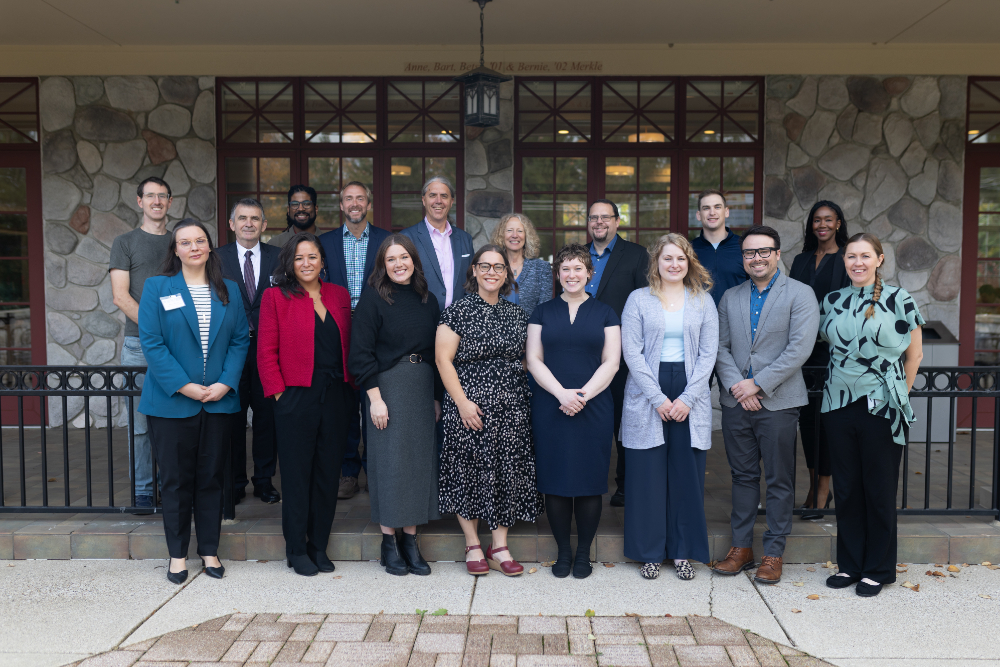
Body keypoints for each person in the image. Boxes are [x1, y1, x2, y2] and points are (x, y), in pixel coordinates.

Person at [137, 219, 249, 584]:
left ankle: (209, 551)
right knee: (174, 481)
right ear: (175, 250)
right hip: (171, 403)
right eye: (185, 242)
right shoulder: (157, 288)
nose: (194, 247)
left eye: (200, 240)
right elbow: (152, 343)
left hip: (217, 402)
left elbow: (240, 341)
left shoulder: (228, 290)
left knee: (211, 480)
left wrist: (225, 383)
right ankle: (177, 556)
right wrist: (184, 386)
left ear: (210, 247)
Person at [712, 226, 819, 585]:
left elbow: (799, 349)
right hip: (735, 401)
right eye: (748, 253)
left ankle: (773, 553)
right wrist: (739, 388)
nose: (756, 258)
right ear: (742, 258)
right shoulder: (730, 297)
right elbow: (720, 347)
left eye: (763, 251)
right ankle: (741, 548)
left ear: (776, 254)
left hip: (779, 402)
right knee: (742, 477)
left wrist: (758, 385)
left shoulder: (801, 295)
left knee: (778, 479)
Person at [821, 233, 924, 598]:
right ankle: (850, 564)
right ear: (844, 260)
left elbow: (914, 356)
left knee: (877, 490)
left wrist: (900, 395)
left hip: (882, 406)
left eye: (866, 256)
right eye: (851, 256)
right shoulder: (832, 300)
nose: (858, 262)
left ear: (879, 260)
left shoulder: (900, 299)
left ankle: (878, 569)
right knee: (846, 489)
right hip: (837, 404)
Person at [436, 245, 544, 577]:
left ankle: (498, 546)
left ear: (507, 275)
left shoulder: (517, 314)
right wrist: (463, 403)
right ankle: (472, 543)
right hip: (469, 409)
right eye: (485, 266)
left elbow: (526, 361)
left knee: (507, 474)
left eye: (499, 267)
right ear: (474, 271)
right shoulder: (458, 311)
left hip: (512, 410)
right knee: (468, 473)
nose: (492, 272)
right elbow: (443, 360)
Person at [620, 234, 718, 581]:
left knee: (685, 476)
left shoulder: (703, 301)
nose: (674, 264)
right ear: (656, 263)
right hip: (649, 389)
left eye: (680, 258)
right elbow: (631, 352)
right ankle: (648, 552)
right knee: (647, 475)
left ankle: (682, 552)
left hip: (689, 391)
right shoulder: (638, 300)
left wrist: (688, 398)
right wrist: (658, 398)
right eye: (667, 259)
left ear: (689, 261)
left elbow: (708, 354)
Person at [257, 233, 355, 577]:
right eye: (299, 258)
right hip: (295, 396)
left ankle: (318, 546)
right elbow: (266, 352)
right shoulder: (275, 297)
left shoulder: (339, 295)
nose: (306, 263)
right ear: (290, 263)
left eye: (312, 257)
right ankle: (297, 548)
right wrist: (280, 395)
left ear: (322, 261)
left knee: (328, 474)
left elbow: (350, 345)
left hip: (336, 396)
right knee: (297, 475)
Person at [348, 235, 441, 577]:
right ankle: (389, 540)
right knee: (390, 463)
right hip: (386, 388)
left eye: (404, 257)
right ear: (382, 266)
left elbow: (436, 352)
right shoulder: (373, 299)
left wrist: (435, 397)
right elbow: (360, 353)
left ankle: (411, 541)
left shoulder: (428, 300)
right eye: (391, 259)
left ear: (414, 260)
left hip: (421, 387)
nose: (399, 264)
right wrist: (374, 399)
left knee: (417, 463)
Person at [527, 243, 622, 579]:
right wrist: (560, 395)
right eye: (565, 268)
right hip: (549, 405)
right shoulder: (542, 312)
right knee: (554, 480)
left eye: (578, 268)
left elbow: (612, 362)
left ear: (589, 273)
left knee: (588, 480)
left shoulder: (606, 313)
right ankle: (563, 553)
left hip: (593, 406)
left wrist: (581, 395)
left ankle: (584, 553)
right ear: (557, 274)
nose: (571, 274)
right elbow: (533, 360)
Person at [318, 181, 390, 501]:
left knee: (376, 404)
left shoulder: (386, 240)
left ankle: (374, 470)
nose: (355, 203)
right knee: (346, 408)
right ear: (342, 206)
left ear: (369, 203)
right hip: (339, 335)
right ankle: (348, 472)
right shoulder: (325, 243)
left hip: (378, 335)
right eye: (349, 199)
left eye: (360, 198)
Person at [110, 176, 175, 515]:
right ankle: (143, 492)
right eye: (150, 196)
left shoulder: (180, 242)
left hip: (177, 346)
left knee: (174, 419)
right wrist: (156, 330)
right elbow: (120, 295)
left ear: (170, 201)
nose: (156, 201)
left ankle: (171, 488)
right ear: (139, 201)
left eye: (162, 196)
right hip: (138, 345)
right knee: (139, 425)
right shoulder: (125, 242)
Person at [582, 200, 648, 508]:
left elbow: (645, 304)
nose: (599, 222)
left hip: (622, 353)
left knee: (624, 419)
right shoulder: (578, 255)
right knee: (585, 420)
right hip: (581, 352)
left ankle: (624, 486)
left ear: (617, 221)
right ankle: (587, 482)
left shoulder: (635, 255)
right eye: (593, 217)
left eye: (605, 217)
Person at [789, 200, 851, 520]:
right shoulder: (800, 260)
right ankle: (813, 486)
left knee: (827, 421)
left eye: (828, 219)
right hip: (801, 351)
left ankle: (823, 491)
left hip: (833, 353)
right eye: (817, 220)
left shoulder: (846, 259)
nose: (822, 225)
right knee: (807, 420)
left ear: (839, 224)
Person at [217, 197, 281, 505]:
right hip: (231, 348)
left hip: (268, 347)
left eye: (255, 219)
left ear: (264, 225)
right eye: (242, 218)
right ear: (232, 224)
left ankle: (264, 480)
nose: (248, 223)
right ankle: (236, 481)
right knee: (233, 414)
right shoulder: (215, 258)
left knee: (267, 416)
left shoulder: (280, 257)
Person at [399, 177, 474, 312]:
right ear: (424, 200)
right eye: (432, 195)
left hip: (458, 323)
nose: (438, 201)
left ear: (451, 202)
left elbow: (471, 281)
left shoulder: (465, 239)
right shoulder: (407, 238)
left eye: (444, 196)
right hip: (420, 319)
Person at [689, 189, 749, 307]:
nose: (712, 212)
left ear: (726, 212)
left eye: (717, 207)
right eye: (706, 208)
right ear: (698, 215)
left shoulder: (744, 247)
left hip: (736, 322)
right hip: (699, 322)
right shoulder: (688, 250)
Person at [489, 212, 553, 317]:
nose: (515, 235)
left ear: (527, 235)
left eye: (520, 231)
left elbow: (544, 308)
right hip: (496, 330)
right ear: (501, 235)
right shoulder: (492, 267)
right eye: (509, 230)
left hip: (530, 330)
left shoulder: (541, 268)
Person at [268, 185, 318, 249]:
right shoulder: (274, 245)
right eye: (295, 204)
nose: (300, 209)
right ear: (288, 210)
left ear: (316, 209)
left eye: (306, 204)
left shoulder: (329, 242)